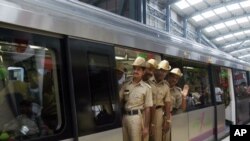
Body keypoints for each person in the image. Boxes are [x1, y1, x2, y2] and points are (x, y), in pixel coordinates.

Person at [119, 56, 153, 141]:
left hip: (137, 118)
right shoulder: (126, 85)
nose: (135, 71)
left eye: (138, 69)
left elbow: (147, 109)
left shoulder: (146, 88)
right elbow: (119, 99)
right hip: (125, 117)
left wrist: (146, 127)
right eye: (134, 69)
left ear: (143, 72)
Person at [150, 60, 172, 141]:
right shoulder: (147, 82)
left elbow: (167, 103)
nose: (163, 73)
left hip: (158, 112)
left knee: (157, 137)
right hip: (145, 112)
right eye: (161, 70)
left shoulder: (166, 86)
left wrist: (167, 120)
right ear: (156, 70)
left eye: (165, 72)